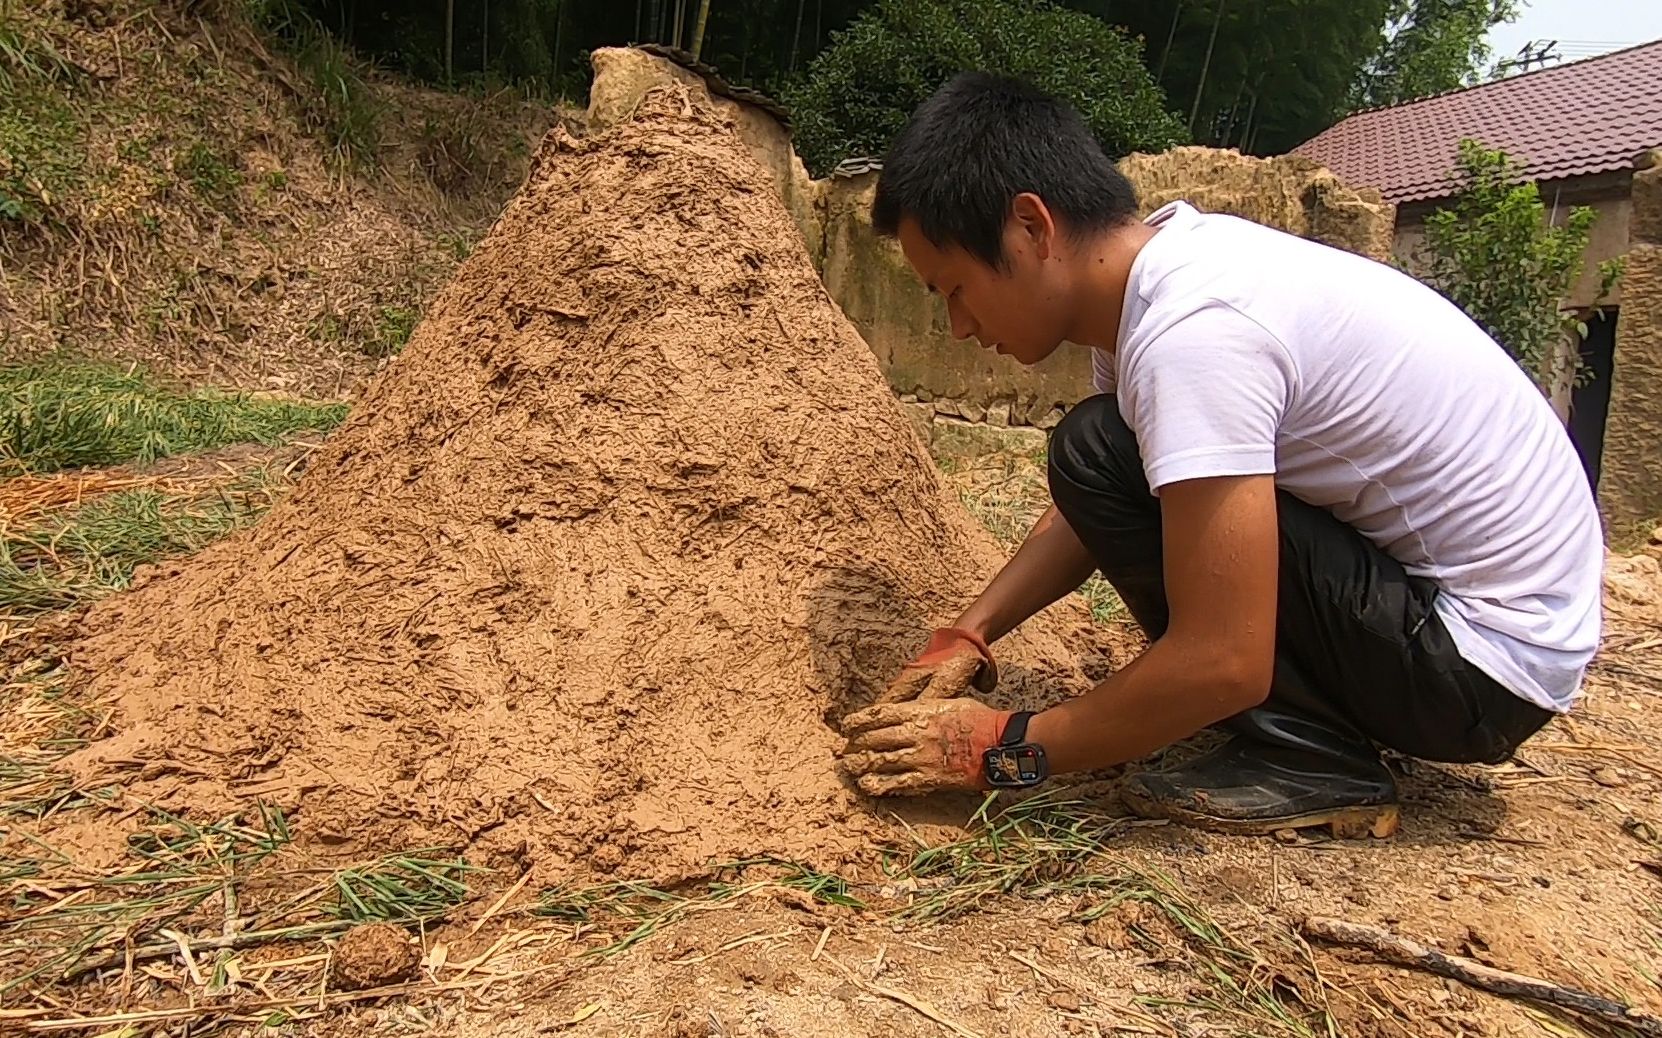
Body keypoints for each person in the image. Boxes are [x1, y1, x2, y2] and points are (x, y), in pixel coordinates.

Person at [834, 72, 1604, 838]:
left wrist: (1004, 750)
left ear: (1032, 228)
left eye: (956, 289)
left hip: (1478, 669)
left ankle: (1312, 757)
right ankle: (1312, 732)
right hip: (1477, 638)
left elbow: (1223, 662)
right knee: (1103, 450)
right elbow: (1100, 502)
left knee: (1096, 448)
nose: (960, 326)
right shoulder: (1169, 280)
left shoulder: (1194, 331)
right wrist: (971, 630)